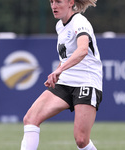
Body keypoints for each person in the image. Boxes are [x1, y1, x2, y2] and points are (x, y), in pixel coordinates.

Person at [20, 0, 102, 149]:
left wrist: (59, 69)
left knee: (81, 140)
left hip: (86, 82)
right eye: (51, 2)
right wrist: (58, 72)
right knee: (30, 118)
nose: (53, 6)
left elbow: (82, 50)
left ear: (71, 2)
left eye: (58, 1)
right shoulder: (60, 26)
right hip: (65, 82)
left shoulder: (79, 21)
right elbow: (65, 58)